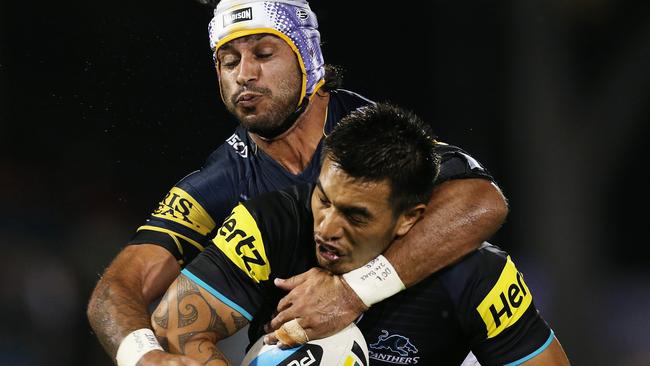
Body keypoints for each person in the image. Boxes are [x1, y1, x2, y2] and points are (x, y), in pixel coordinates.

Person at [86, 1, 508, 365]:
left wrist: (352, 292)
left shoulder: (372, 134)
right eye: (229, 61)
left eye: (264, 54)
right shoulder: (220, 180)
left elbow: (482, 201)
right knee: (175, 327)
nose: (244, 74)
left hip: (433, 347)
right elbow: (118, 287)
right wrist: (142, 354)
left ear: (309, 60)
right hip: (307, 351)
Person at [151, 103, 570, 365]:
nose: (328, 228)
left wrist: (353, 291)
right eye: (324, 200)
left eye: (356, 215)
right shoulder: (269, 224)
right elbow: (175, 330)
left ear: (409, 219)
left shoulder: (476, 275)